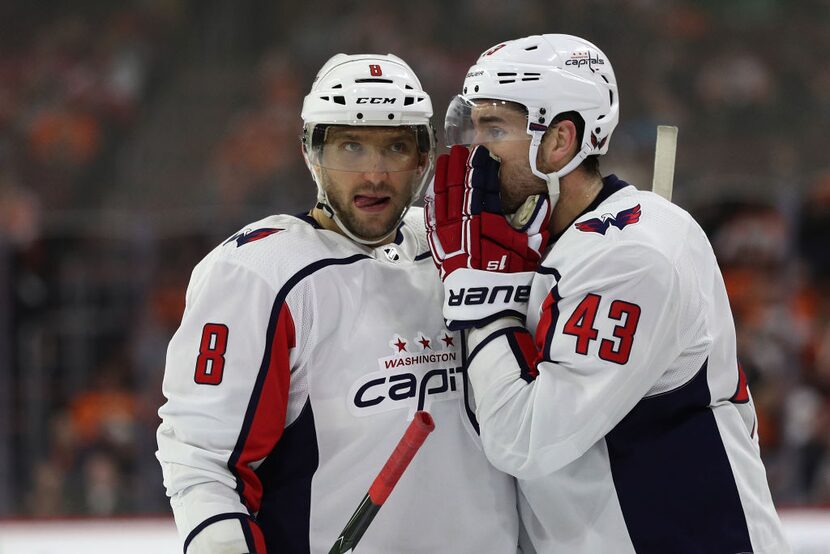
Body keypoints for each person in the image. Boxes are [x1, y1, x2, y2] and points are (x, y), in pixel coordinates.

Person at [425, 34, 791, 553]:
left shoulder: (634, 257)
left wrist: (483, 293)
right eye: (472, 125)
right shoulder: (534, 239)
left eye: (495, 128)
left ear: (559, 141)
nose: (472, 151)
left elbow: (522, 439)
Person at [156, 53, 520, 553]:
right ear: (311, 151)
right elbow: (203, 461)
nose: (374, 174)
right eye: (351, 146)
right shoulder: (259, 273)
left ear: (422, 158)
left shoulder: (459, 247)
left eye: (395, 147)